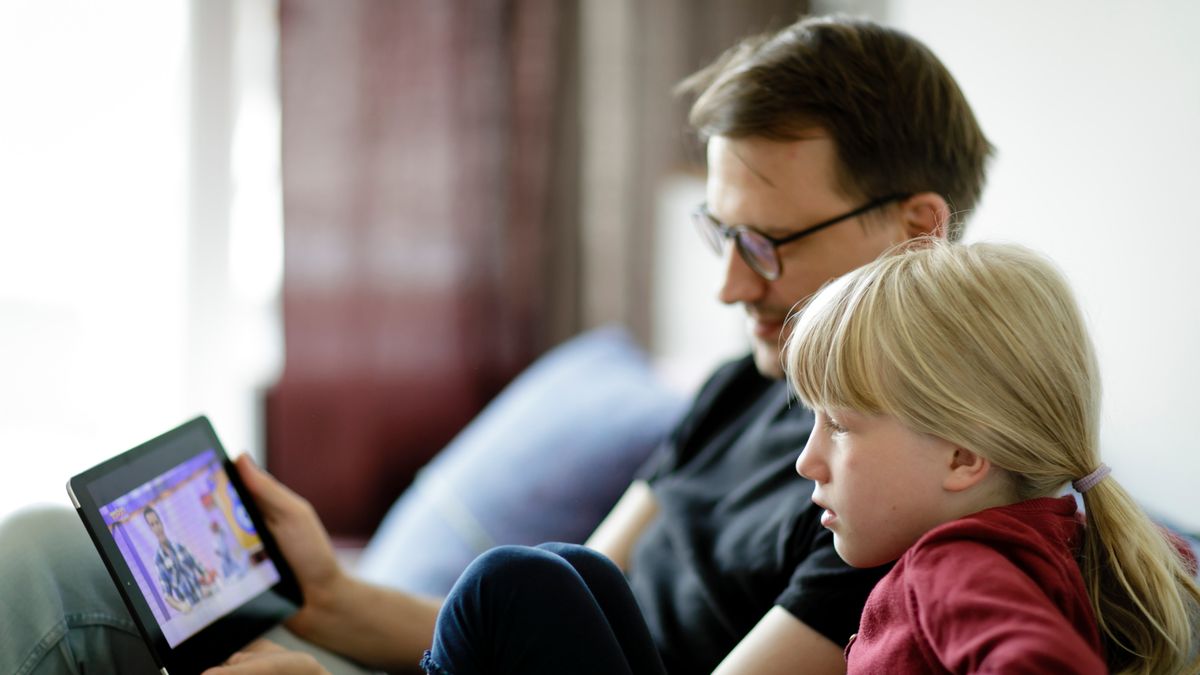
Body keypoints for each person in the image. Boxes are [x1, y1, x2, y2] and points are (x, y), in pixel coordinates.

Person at [0, 14, 991, 675]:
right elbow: (556, 606)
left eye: (768, 244)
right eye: (721, 234)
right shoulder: (742, 388)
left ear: (917, 230)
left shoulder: (896, 488)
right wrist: (325, 595)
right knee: (56, 549)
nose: (731, 286)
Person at [784, 240, 1200, 673]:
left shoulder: (952, 567)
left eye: (839, 426)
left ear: (962, 457)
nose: (806, 462)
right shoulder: (1069, 551)